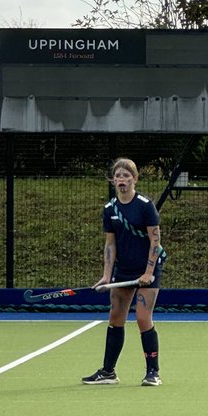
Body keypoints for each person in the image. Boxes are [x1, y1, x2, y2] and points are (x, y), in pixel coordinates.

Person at [81, 157, 166, 387]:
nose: (121, 180)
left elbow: (155, 241)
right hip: (124, 270)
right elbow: (110, 244)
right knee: (115, 318)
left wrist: (149, 272)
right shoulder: (110, 209)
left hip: (148, 268)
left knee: (142, 318)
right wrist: (107, 276)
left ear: (135, 179)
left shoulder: (145, 205)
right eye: (118, 176)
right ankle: (108, 372)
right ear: (113, 180)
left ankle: (153, 373)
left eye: (126, 176)